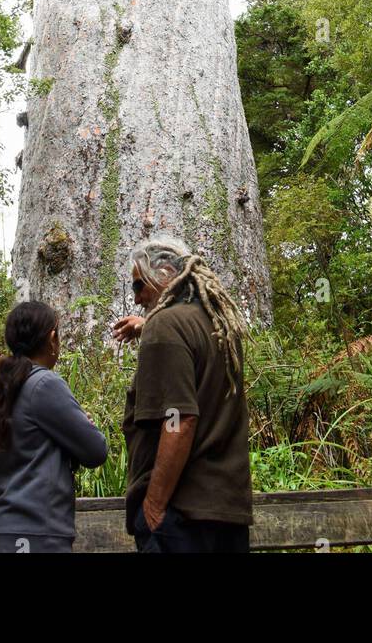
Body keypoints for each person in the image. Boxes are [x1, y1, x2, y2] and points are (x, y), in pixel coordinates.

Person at [112, 235, 253, 553]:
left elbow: (181, 420)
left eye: (138, 286)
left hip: (180, 517)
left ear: (163, 275)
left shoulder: (166, 326)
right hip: (226, 514)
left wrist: (153, 506)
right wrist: (148, 326)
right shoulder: (220, 327)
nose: (136, 299)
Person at [0, 300, 108, 553]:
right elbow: (96, 451)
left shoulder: (7, 386)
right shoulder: (44, 384)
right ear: (52, 339)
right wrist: (82, 426)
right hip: (34, 532)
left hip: (2, 530)